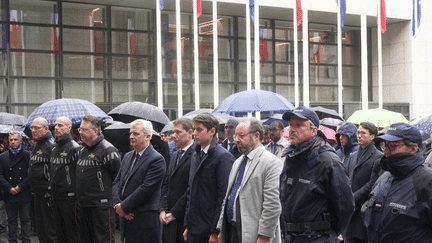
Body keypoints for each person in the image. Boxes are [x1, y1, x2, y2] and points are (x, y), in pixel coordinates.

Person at [280, 106, 354, 242]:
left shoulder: (328, 161)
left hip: (317, 238)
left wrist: (328, 231)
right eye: (290, 124)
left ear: (314, 130)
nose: (292, 129)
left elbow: (345, 206)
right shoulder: (291, 157)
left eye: (299, 125)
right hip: (292, 237)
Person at [362, 122, 432, 243]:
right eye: (385, 145)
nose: (386, 151)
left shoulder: (426, 180)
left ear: (413, 148)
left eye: (393, 146)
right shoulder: (384, 177)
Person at [216, 118, 283, 243]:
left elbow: (272, 204)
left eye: (241, 136)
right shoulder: (237, 162)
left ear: (256, 136)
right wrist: (221, 228)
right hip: (231, 230)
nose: (236, 139)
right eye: (236, 135)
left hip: (254, 233)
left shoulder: (271, 162)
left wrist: (264, 236)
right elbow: (228, 198)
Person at [183, 113, 234, 243]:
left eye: (199, 129)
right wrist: (187, 224)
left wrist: (215, 230)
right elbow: (190, 192)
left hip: (210, 229)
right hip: (194, 228)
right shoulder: (195, 155)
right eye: (194, 129)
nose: (194, 133)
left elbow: (223, 197)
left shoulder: (223, 157)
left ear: (212, 131)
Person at [113, 119, 166, 243]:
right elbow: (117, 181)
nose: (131, 136)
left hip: (145, 219)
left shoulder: (156, 159)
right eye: (130, 133)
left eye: (136, 134)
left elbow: (146, 188)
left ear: (148, 136)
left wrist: (124, 206)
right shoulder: (127, 156)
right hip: (126, 217)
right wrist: (118, 205)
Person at [76, 115, 121, 243]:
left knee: (104, 239)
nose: (80, 133)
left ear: (95, 131)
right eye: (80, 129)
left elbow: (117, 176)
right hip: (84, 204)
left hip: (101, 206)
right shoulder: (82, 149)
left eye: (84, 130)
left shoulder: (108, 149)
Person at [343, 122, 383, 243]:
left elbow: (372, 184)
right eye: (358, 132)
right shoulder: (353, 155)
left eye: (363, 133)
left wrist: (352, 199)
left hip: (363, 211)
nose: (359, 135)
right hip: (350, 213)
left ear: (372, 137)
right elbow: (346, 178)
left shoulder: (378, 157)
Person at [160, 117, 196, 243]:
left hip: (183, 218)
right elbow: (166, 183)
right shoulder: (175, 155)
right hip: (168, 218)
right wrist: (162, 209)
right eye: (173, 132)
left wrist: (174, 213)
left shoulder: (196, 155)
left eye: (178, 132)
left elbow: (191, 188)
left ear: (190, 132)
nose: (174, 136)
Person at [50, 116, 81, 243]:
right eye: (56, 125)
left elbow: (80, 174)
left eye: (60, 125)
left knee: (72, 233)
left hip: (70, 198)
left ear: (69, 128)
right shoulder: (53, 147)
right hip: (56, 196)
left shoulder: (75, 148)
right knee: (59, 233)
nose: (56, 128)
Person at [28, 117, 57, 243]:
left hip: (47, 194)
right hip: (36, 193)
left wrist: (50, 190)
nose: (33, 131)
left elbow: (56, 170)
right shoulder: (37, 144)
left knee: (50, 229)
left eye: (37, 128)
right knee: (40, 228)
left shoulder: (51, 145)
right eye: (32, 128)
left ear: (46, 129)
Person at [0, 132, 32, 243]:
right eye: (11, 140)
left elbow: (31, 174)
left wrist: (20, 187)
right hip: (10, 193)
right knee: (11, 220)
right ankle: (12, 240)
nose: (13, 142)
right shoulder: (3, 157)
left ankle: (26, 241)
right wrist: (9, 188)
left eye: (15, 139)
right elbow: (0, 175)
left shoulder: (28, 155)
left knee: (25, 219)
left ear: (21, 141)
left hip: (23, 192)